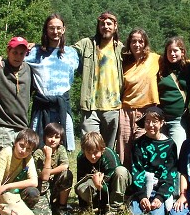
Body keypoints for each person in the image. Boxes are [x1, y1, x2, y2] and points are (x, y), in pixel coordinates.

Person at [27, 14, 79, 151]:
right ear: (46, 30)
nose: (55, 32)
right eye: (51, 28)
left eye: (58, 28)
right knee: (37, 147)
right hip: (42, 106)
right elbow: (14, 59)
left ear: (64, 29)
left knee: (63, 150)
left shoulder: (71, 54)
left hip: (62, 106)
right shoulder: (34, 52)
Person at [0, 36, 32, 172]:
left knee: (15, 171)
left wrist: (35, 45)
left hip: (21, 129)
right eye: (14, 52)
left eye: (21, 53)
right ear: (8, 51)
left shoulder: (28, 69)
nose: (18, 56)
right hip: (2, 128)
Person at [73, 11, 124, 150]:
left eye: (109, 24)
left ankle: (106, 173)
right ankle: (88, 173)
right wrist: (38, 48)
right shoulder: (86, 44)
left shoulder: (121, 49)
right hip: (91, 107)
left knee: (108, 150)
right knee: (89, 148)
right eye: (102, 24)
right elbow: (65, 53)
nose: (106, 26)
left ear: (115, 26)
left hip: (114, 107)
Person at [117, 28, 160, 168]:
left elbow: (177, 60)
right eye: (133, 41)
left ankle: (143, 183)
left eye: (140, 41)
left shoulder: (155, 59)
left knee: (144, 146)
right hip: (126, 111)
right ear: (129, 44)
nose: (137, 45)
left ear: (145, 43)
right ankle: (126, 182)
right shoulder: (124, 63)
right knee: (124, 149)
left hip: (146, 110)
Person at [128, 106, 178, 215]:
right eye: (147, 121)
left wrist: (159, 197)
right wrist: (142, 196)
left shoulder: (170, 145)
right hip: (143, 187)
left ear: (161, 123)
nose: (151, 125)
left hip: (160, 189)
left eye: (154, 122)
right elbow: (137, 171)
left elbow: (170, 174)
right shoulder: (138, 144)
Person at [0, 129, 40, 215]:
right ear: (15, 142)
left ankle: (22, 210)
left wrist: (9, 186)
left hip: (13, 190)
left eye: (28, 149)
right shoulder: (6, 154)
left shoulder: (28, 158)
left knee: (33, 192)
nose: (23, 151)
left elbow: (34, 182)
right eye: (21, 145)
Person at [75, 131, 130, 215]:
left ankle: (115, 208)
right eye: (88, 153)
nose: (92, 156)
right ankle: (92, 206)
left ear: (102, 150)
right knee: (81, 188)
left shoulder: (109, 156)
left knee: (121, 171)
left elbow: (112, 185)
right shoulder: (81, 157)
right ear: (83, 150)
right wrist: (82, 205)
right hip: (96, 186)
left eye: (95, 152)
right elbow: (80, 181)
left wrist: (99, 186)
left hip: (113, 186)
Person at [158, 37, 190, 154]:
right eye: (169, 51)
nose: (172, 54)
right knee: (160, 153)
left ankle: (178, 173)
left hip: (178, 119)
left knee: (177, 152)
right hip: (161, 119)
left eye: (175, 50)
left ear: (182, 52)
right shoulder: (160, 68)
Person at [33, 122, 74, 215]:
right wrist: (48, 156)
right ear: (45, 137)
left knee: (67, 174)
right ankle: (49, 204)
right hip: (42, 188)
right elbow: (44, 177)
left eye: (56, 137)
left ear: (60, 139)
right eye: (50, 136)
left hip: (56, 184)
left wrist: (49, 172)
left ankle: (62, 206)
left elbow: (65, 166)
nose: (53, 140)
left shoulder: (61, 149)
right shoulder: (38, 153)